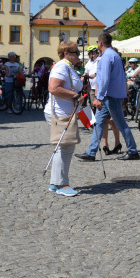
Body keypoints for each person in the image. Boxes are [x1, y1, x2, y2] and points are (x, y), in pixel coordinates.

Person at [77, 32, 140, 162]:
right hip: (111, 96)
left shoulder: (106, 57)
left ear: (100, 43)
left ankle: (133, 150)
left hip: (109, 96)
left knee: (120, 123)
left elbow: (104, 79)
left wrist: (98, 97)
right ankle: (91, 152)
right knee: (99, 123)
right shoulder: (114, 55)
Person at [46, 41, 85, 197]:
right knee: (66, 147)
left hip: (66, 111)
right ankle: (62, 184)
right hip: (60, 113)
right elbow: (53, 88)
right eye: (76, 52)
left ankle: (55, 183)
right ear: (67, 53)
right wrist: (74, 95)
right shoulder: (62, 66)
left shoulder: (67, 67)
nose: (78, 55)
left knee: (62, 147)